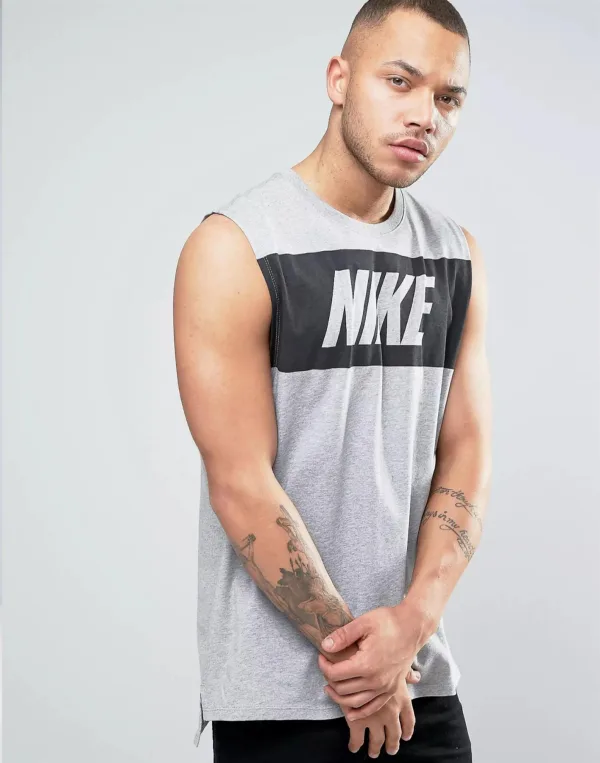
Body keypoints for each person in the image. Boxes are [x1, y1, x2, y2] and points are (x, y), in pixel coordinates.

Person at [173, 0, 492, 759]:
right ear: (339, 80)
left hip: (417, 683)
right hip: (281, 698)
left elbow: (467, 451)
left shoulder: (455, 256)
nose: (425, 116)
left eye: (448, 98)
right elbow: (240, 483)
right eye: (400, 82)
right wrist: (364, 668)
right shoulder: (237, 246)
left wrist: (411, 627)